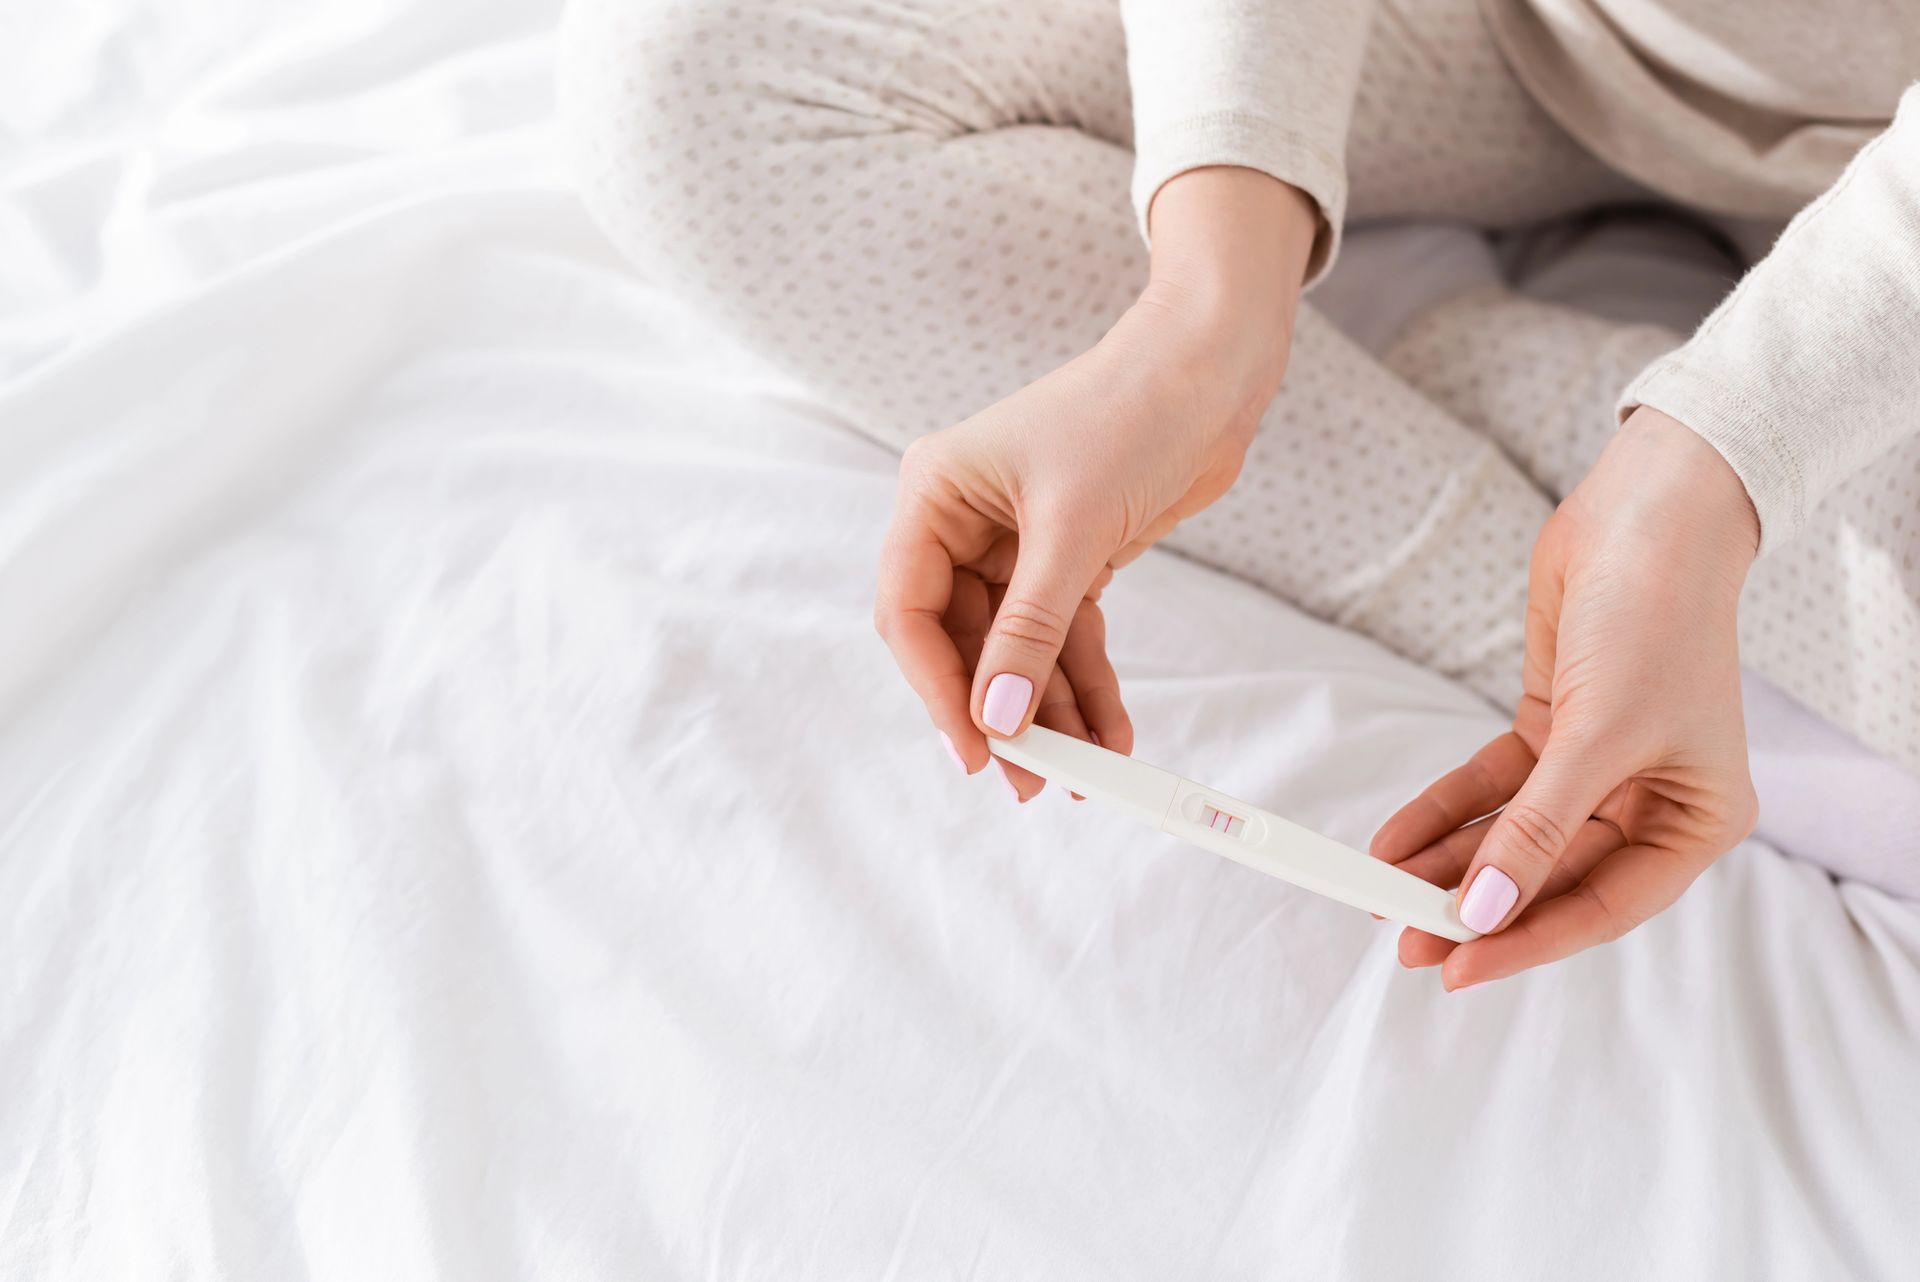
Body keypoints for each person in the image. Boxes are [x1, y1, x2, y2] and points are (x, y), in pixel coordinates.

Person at [559, 0, 1920, 987]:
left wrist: (1712, 458)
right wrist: (1208, 311)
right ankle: (1568, 626)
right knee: (700, 84)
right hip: (1521, 38)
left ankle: (1548, 419)